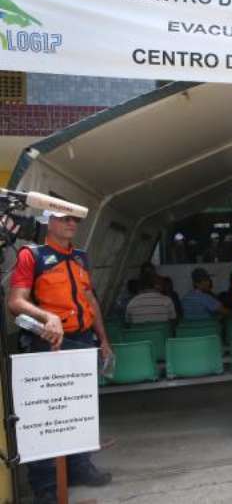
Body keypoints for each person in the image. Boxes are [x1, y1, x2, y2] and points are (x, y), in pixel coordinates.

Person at [8, 210, 113, 504]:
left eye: (75, 220)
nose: (71, 223)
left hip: (81, 340)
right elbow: (15, 302)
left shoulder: (81, 257)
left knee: (82, 407)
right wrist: (47, 317)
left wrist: (103, 339)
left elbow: (89, 299)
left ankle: (80, 467)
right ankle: (44, 482)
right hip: (47, 343)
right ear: (48, 222)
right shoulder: (33, 256)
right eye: (64, 218)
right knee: (46, 413)